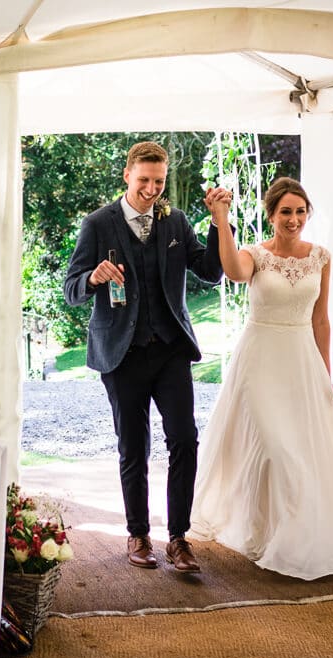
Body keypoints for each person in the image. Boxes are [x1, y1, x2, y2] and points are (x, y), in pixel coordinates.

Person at [63, 141, 228, 573]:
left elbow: (210, 272)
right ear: (126, 176)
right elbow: (71, 290)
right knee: (133, 447)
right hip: (122, 353)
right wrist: (94, 277)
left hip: (171, 349)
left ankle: (178, 539)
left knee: (184, 441)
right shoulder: (98, 224)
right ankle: (138, 534)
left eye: (158, 181)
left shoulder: (176, 223)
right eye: (143, 181)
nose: (151, 190)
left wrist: (217, 222)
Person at [190, 177, 333, 580]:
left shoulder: (321, 257)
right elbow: (231, 271)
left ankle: (295, 536)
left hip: (301, 361)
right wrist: (222, 219)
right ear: (272, 215)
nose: (294, 219)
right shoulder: (254, 255)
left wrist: (325, 376)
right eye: (286, 212)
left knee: (301, 453)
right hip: (260, 360)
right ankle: (263, 531)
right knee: (274, 450)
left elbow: (321, 319)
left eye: (300, 211)